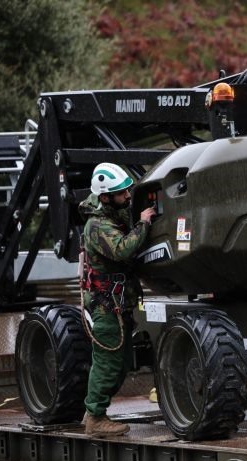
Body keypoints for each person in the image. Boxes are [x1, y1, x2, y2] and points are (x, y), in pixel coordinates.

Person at [79, 162, 156, 436]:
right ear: (104, 197)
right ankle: (95, 419)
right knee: (108, 362)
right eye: (122, 194)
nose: (127, 197)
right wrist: (144, 224)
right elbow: (123, 250)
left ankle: (93, 412)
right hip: (106, 307)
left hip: (117, 304)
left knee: (120, 364)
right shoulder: (98, 226)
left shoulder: (112, 216)